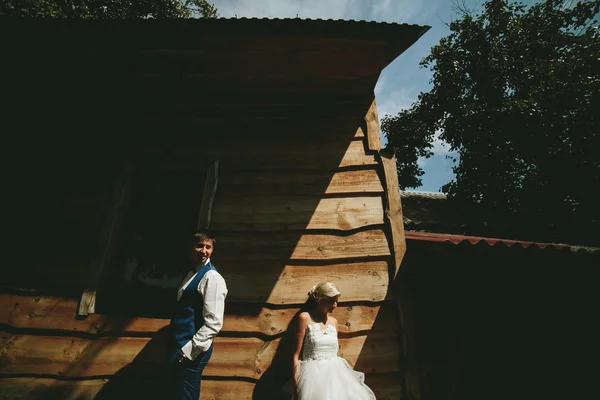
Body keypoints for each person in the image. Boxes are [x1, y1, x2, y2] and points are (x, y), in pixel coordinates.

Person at [167, 231, 228, 400]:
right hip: (179, 346)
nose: (204, 250)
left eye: (208, 247)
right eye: (199, 245)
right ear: (191, 247)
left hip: (192, 351)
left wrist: (188, 351)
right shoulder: (192, 273)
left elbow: (214, 322)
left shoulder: (212, 277)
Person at [291, 282, 376, 400]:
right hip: (312, 377)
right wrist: (296, 388)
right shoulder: (305, 318)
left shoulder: (334, 322)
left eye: (336, 301)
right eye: (331, 301)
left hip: (336, 376)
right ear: (320, 300)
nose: (335, 305)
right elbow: (296, 356)